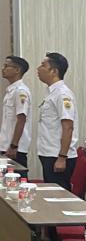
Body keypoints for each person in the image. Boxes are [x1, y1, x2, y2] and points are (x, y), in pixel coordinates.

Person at [37, 52, 78, 188]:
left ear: (54, 71)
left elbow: (68, 127)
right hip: (49, 153)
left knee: (58, 196)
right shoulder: (51, 93)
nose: (38, 68)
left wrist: (62, 157)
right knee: (51, 193)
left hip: (57, 156)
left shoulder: (62, 94)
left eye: (43, 65)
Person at [0, 55, 31, 168]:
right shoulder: (11, 91)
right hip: (6, 146)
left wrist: (13, 146)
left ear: (17, 70)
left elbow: (21, 119)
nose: (3, 68)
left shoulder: (20, 91)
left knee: (16, 177)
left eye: (6, 66)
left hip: (15, 149)